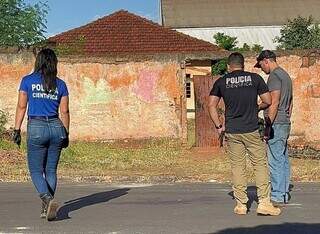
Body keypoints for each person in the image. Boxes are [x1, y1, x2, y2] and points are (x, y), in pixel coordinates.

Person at [208, 52, 281, 216]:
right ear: (243, 65)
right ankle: (264, 203)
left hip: (233, 131)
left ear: (228, 66)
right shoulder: (255, 79)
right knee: (260, 165)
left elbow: (211, 105)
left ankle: (241, 204)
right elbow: (268, 100)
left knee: (238, 167)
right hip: (252, 129)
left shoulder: (222, 81)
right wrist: (257, 108)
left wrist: (219, 126)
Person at [12, 48, 70, 221]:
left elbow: (22, 106)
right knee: (50, 170)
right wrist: (66, 133)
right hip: (56, 126)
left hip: (36, 127)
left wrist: (16, 129)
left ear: (38, 61)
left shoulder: (27, 81)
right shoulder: (61, 84)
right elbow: (65, 111)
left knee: (36, 170)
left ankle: (47, 199)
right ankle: (46, 209)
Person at [254, 50, 293, 205]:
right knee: (283, 159)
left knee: (275, 160)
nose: (262, 69)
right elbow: (290, 103)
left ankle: (277, 195)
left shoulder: (274, 76)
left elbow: (274, 101)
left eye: (261, 65)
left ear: (266, 61)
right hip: (285, 121)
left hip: (276, 122)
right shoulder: (286, 75)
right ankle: (283, 193)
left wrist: (268, 124)